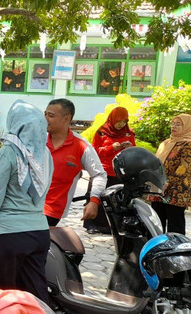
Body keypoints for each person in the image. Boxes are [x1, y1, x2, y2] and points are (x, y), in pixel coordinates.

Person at [0, 100, 53, 304]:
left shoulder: (10, 151)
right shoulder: (45, 154)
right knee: (35, 294)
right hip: (40, 233)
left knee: (1, 296)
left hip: (9, 235)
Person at [44, 98, 107, 226]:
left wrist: (94, 201)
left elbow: (99, 174)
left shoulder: (81, 146)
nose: (45, 119)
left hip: (52, 210)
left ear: (66, 119)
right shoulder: (37, 140)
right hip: (26, 207)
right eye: (45, 114)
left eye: (51, 115)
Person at [85, 106, 135, 234]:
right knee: (97, 198)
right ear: (112, 119)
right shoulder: (102, 132)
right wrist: (111, 147)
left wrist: (127, 147)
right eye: (119, 121)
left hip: (120, 172)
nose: (121, 124)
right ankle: (92, 224)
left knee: (114, 201)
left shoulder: (129, 133)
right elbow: (95, 151)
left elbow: (134, 151)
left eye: (124, 122)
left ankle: (111, 226)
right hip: (103, 171)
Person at [150, 114, 191, 234]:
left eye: (178, 124)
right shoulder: (166, 143)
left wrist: (167, 183)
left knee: (175, 222)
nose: (174, 127)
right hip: (158, 187)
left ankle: (176, 249)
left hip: (176, 190)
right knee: (157, 221)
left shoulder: (188, 144)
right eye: (173, 124)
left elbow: (185, 168)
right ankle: (158, 247)